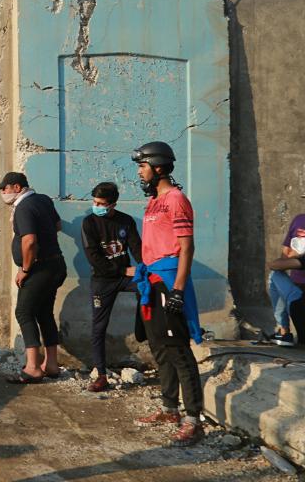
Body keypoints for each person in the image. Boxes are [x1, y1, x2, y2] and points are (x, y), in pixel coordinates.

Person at [130, 141, 204, 447]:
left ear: (158, 167)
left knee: (178, 350)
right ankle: (169, 408)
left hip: (170, 281)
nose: (139, 172)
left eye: (142, 166)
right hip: (152, 280)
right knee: (159, 348)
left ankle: (193, 420)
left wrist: (178, 290)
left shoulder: (176, 200)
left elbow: (187, 247)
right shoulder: (153, 202)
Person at [0, 171, 66, 384]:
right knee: (44, 313)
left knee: (24, 312)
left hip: (39, 269)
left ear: (17, 188)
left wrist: (25, 269)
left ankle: (33, 367)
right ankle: (51, 365)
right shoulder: (42, 200)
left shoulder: (23, 207)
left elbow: (29, 241)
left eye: (5, 189)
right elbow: (58, 225)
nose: (3, 194)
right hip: (56, 265)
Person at [81, 181, 142, 392]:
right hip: (103, 280)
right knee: (99, 327)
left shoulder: (126, 222)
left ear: (113, 204)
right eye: (94, 202)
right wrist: (122, 270)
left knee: (149, 288)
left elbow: (138, 250)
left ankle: (142, 331)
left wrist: (144, 269)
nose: (96, 206)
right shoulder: (89, 222)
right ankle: (101, 375)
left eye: (101, 203)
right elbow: (93, 257)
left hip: (125, 277)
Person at [265, 214, 305, 345]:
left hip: (298, 300)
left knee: (274, 275)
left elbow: (275, 265)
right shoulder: (299, 220)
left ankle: (284, 331)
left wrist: (295, 256)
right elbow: (284, 254)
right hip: (296, 287)